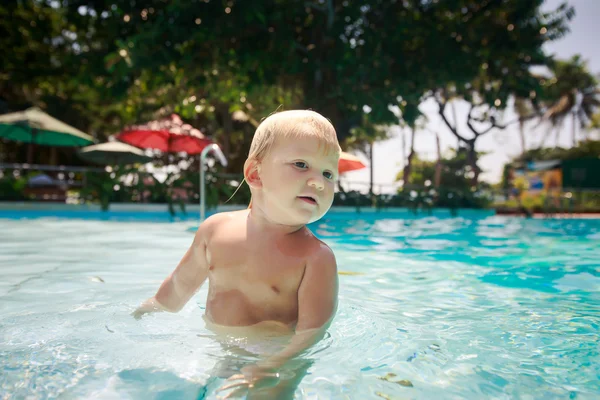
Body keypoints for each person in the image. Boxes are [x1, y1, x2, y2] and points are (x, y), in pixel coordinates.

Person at [133, 110, 341, 398]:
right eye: (301, 164)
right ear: (255, 174)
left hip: (279, 356)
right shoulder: (215, 231)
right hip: (219, 345)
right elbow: (178, 287)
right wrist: (147, 310)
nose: (319, 182)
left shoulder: (315, 258)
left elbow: (312, 333)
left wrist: (272, 367)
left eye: (328, 173)